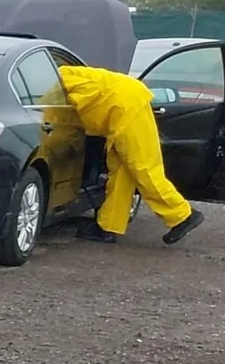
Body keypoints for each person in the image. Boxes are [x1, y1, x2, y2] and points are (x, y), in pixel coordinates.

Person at [56, 64, 203, 245]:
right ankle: (108, 227)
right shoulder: (58, 75)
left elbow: (63, 116)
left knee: (144, 169)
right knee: (121, 172)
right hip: (123, 106)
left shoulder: (51, 86)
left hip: (126, 108)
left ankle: (182, 215)